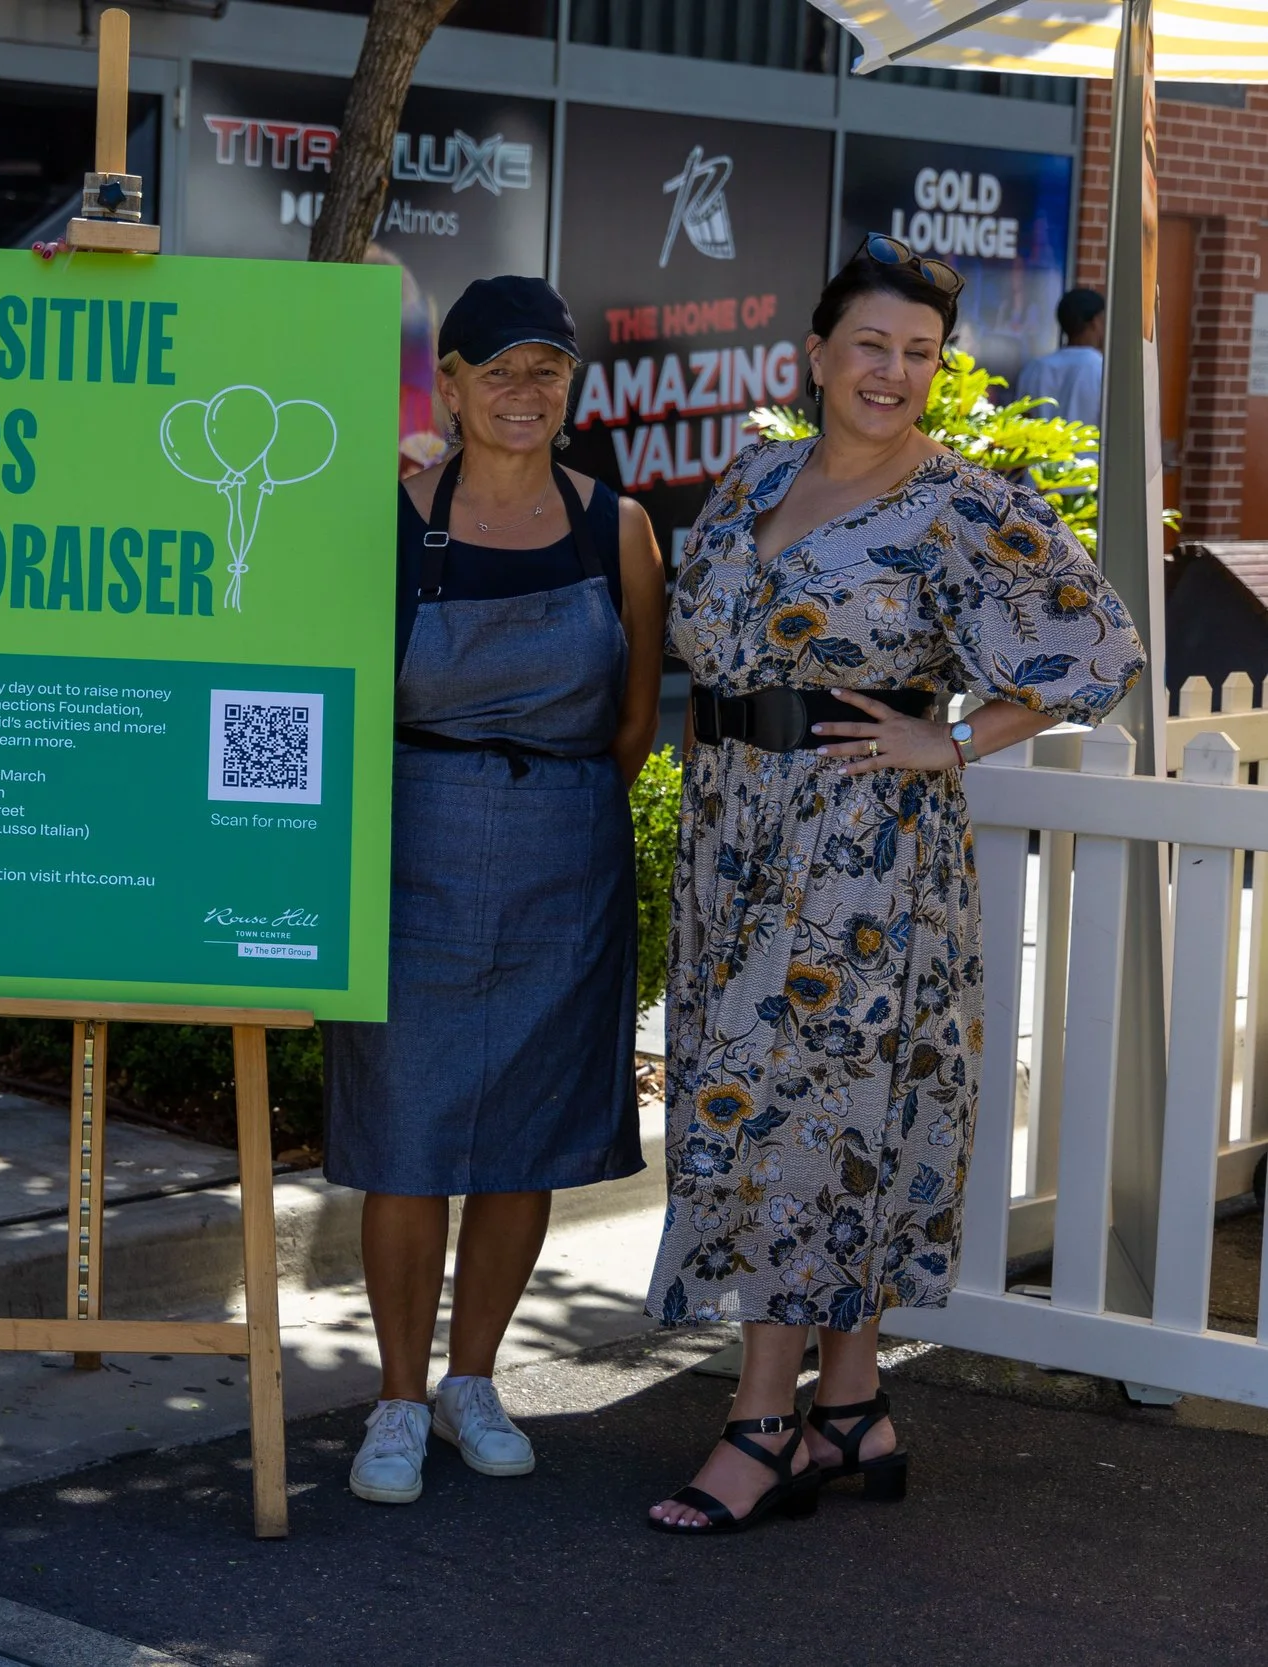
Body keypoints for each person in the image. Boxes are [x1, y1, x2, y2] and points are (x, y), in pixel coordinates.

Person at [645, 235, 1144, 1534]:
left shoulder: (962, 501)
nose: (893, 371)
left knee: (809, 1126)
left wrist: (955, 736)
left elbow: (1100, 647)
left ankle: (762, 1419)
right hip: (736, 846)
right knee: (800, 1113)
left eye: (919, 353)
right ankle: (852, 1402)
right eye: (871, 344)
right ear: (815, 353)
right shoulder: (751, 476)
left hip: (863, 866)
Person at [331, 277, 669, 1506]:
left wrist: (549, 808)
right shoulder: (390, 517)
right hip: (412, 851)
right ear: (454, 386)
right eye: (501, 371)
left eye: (549, 371)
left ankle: (476, 1380)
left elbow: (631, 720)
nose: (526, 393)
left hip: (562, 862)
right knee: (407, 1137)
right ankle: (398, 1396)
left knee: (520, 1135)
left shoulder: (614, 528)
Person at [1014, 287, 1104, 428]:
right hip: (1090, 450)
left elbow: (1021, 422)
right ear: (1095, 321)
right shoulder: (1101, 369)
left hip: (1041, 450)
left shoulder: (1035, 369)